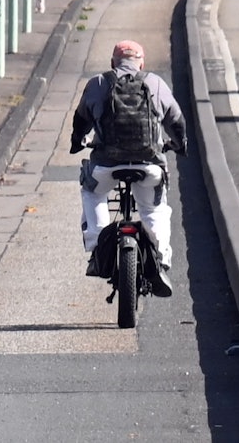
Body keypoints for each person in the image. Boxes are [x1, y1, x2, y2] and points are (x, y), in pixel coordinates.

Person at [69, 40, 187, 296]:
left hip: (106, 166)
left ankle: (98, 245)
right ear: (141, 63)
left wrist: (78, 141)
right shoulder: (155, 83)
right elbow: (176, 120)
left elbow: (81, 120)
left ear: (113, 62)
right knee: (154, 209)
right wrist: (179, 144)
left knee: (93, 192)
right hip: (149, 166)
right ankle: (161, 257)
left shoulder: (98, 84)